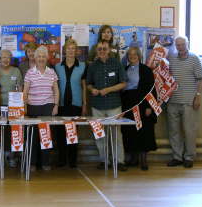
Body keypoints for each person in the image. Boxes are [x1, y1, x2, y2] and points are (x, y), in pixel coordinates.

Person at [86, 40, 128, 171]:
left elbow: (124, 83)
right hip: (97, 106)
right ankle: (104, 160)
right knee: (99, 135)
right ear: (96, 51)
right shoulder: (92, 66)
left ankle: (119, 161)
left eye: (104, 49)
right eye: (99, 49)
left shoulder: (116, 64)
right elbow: (88, 84)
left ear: (109, 50)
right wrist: (92, 89)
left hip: (114, 105)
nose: (102, 51)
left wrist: (109, 89)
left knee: (117, 134)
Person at [167, 36, 202, 168]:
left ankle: (189, 157)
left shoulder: (195, 58)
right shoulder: (171, 58)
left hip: (189, 101)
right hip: (172, 101)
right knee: (173, 131)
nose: (180, 47)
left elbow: (201, 79)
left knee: (189, 131)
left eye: (182, 44)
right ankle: (177, 157)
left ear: (187, 44)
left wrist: (198, 96)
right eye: (178, 45)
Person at [23, 46, 59, 171]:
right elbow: (25, 92)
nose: (41, 58)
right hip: (33, 108)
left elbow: (56, 90)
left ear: (47, 58)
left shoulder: (52, 72)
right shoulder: (29, 72)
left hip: (48, 107)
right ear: (35, 58)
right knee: (32, 137)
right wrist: (25, 107)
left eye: (44, 56)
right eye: (39, 56)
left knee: (46, 136)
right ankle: (32, 163)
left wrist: (56, 105)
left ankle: (45, 162)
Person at [121, 47, 157, 171]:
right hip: (128, 103)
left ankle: (143, 159)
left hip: (142, 103)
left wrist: (149, 107)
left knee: (144, 130)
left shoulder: (146, 70)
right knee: (129, 131)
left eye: (135, 54)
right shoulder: (124, 69)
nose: (132, 56)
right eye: (130, 54)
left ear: (139, 55)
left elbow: (151, 89)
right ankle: (133, 158)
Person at [54, 39, 87, 168]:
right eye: (68, 48)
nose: (71, 51)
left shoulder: (83, 66)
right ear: (64, 50)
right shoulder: (57, 67)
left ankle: (72, 161)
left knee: (72, 133)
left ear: (77, 51)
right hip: (61, 105)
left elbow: (84, 87)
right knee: (60, 134)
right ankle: (62, 160)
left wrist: (84, 104)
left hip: (76, 105)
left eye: (73, 48)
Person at [0, 49, 23, 167]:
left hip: (14, 107)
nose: (5, 60)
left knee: (13, 132)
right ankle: (0, 157)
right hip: (0, 106)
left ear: (10, 59)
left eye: (7, 57)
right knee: (0, 132)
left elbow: (20, 88)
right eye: (3, 57)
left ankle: (12, 157)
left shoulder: (16, 71)